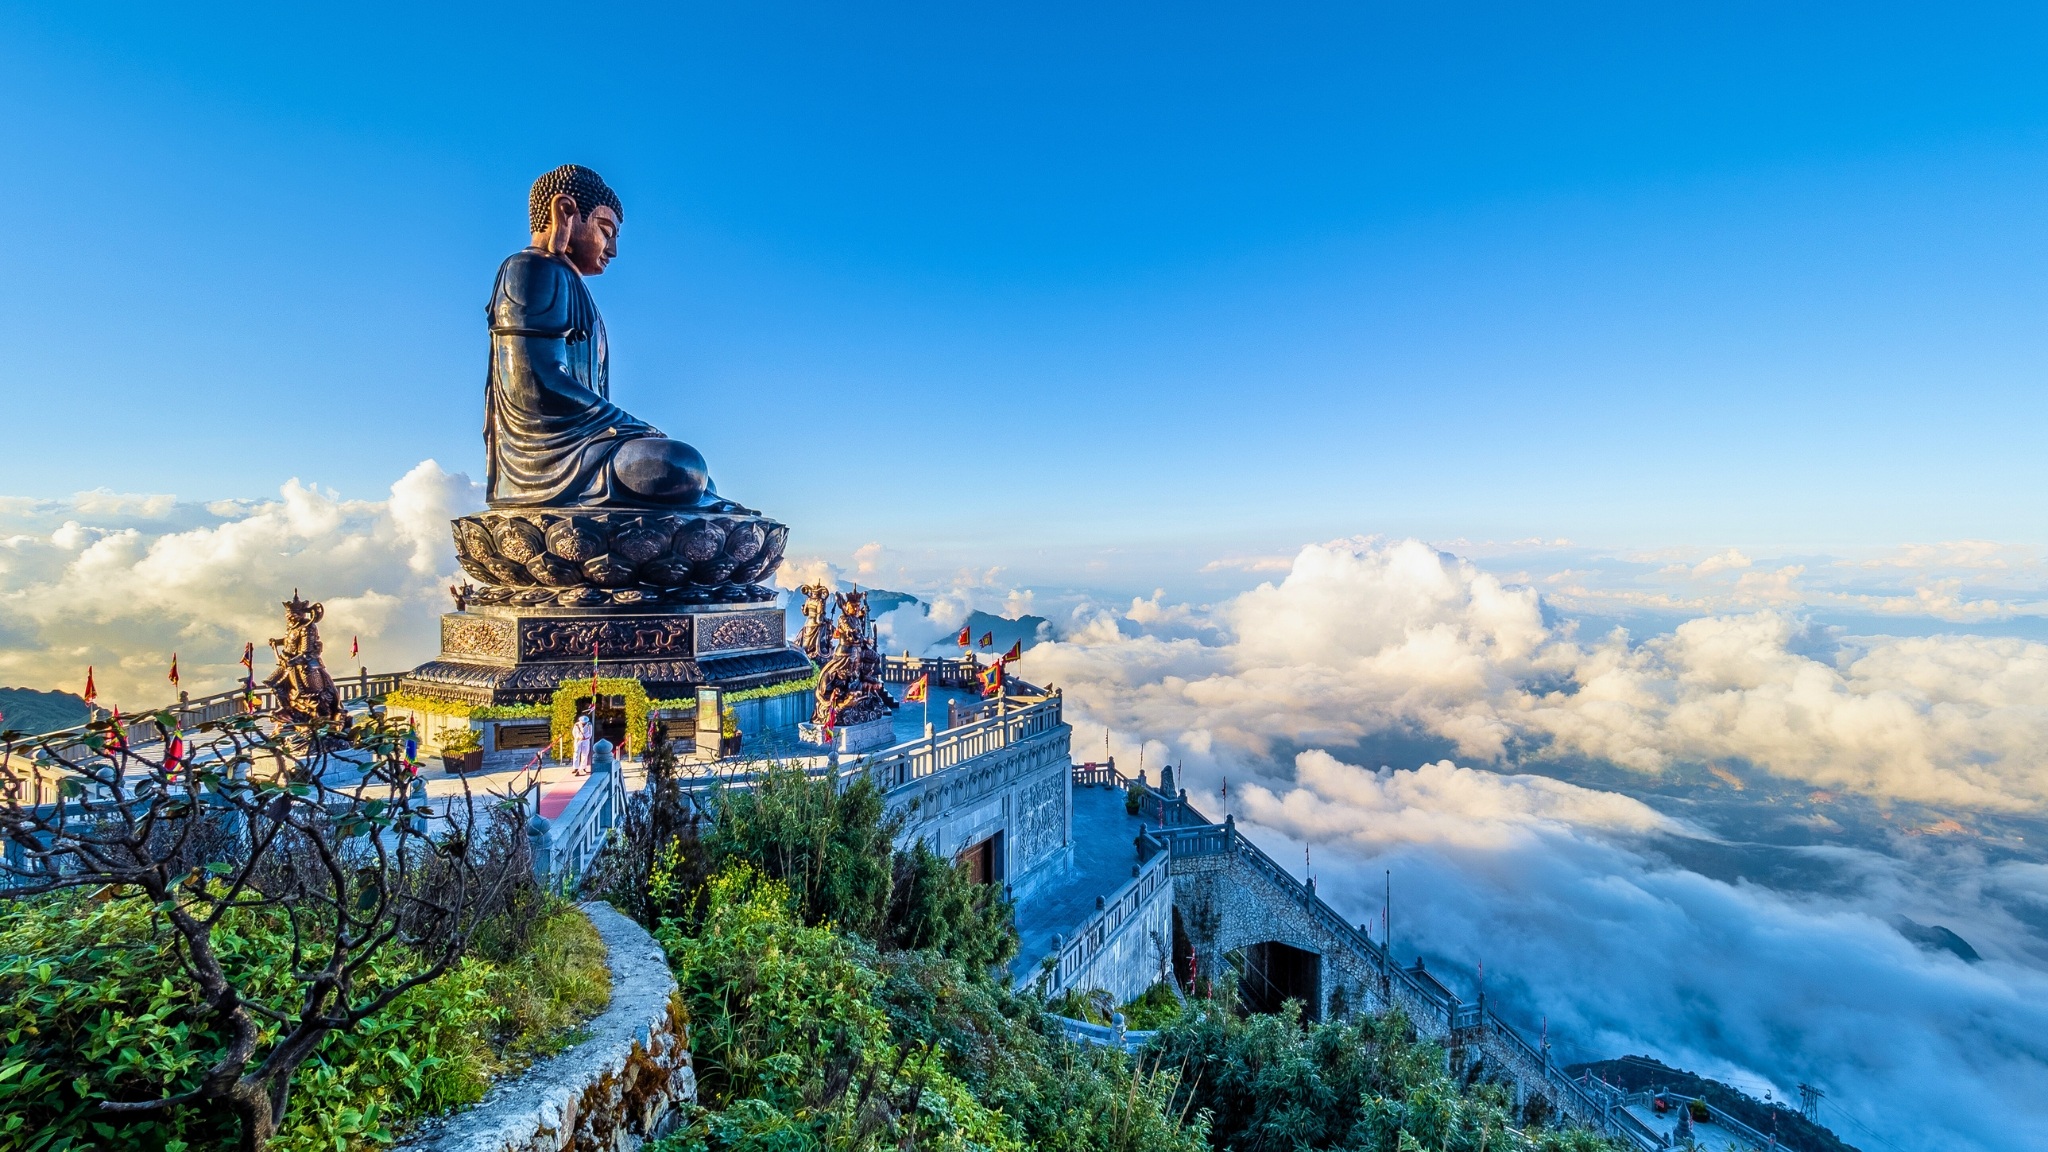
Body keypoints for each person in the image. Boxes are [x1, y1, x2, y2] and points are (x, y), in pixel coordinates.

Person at [484, 164, 726, 509]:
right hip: (550, 458)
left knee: (696, 479)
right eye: (605, 230)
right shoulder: (529, 269)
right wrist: (632, 425)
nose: (611, 250)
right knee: (680, 465)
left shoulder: (573, 287)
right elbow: (537, 382)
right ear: (565, 212)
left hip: (589, 443)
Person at [571, 709, 595, 776]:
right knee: (576, 753)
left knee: (585, 754)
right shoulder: (576, 725)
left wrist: (586, 737)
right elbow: (574, 733)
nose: (584, 723)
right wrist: (578, 737)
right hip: (578, 740)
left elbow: (590, 733)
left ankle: (583, 767)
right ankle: (575, 767)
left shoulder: (589, 725)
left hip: (586, 741)